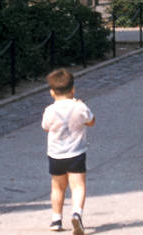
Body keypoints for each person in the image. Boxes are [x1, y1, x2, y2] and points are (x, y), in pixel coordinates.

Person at [41, 68, 94, 234]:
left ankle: (56, 219)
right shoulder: (80, 107)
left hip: (56, 155)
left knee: (57, 187)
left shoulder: (49, 110)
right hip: (76, 153)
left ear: (52, 92)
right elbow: (91, 122)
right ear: (73, 89)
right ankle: (77, 213)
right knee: (78, 186)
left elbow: (46, 128)